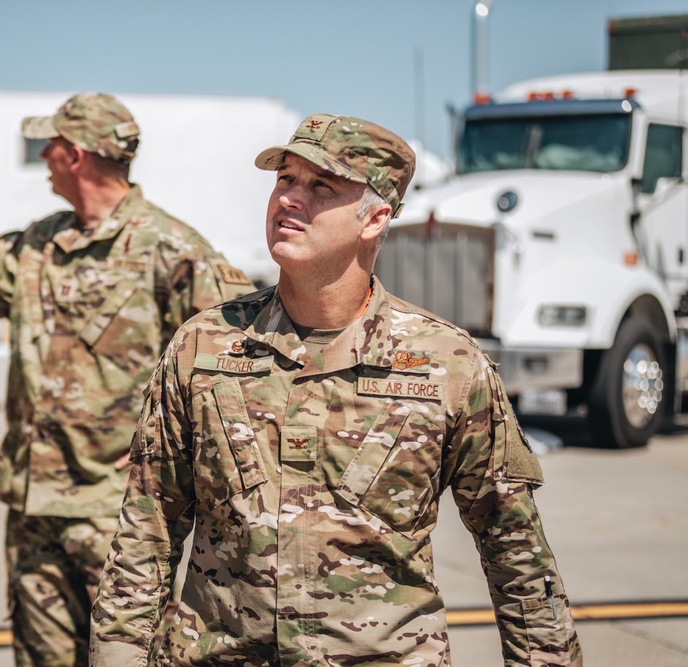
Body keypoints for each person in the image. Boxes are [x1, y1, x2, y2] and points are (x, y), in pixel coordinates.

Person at [91, 114, 583, 665]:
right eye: (285, 180)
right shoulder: (203, 347)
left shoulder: (448, 366)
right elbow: (146, 534)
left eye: (321, 186)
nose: (290, 199)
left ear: (374, 218)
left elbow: (516, 554)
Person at [0, 92, 254, 666]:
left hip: (119, 511)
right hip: (34, 504)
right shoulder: (37, 245)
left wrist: (185, 470)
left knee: (128, 657)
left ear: (74, 155)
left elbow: (230, 373)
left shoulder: (175, 251)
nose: (42, 155)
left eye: (49, 144)